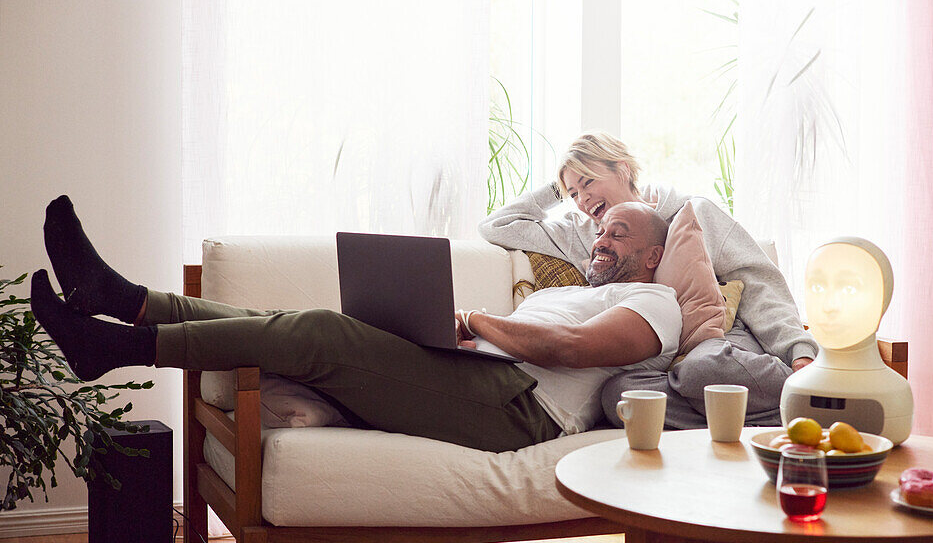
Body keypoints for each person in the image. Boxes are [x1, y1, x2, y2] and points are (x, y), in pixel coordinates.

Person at [31, 196, 682, 453]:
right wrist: (458, 332)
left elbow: (572, 350)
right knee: (281, 324)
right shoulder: (566, 288)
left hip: (523, 413)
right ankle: (124, 300)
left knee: (320, 335)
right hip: (483, 376)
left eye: (617, 233)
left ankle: (115, 345)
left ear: (653, 255)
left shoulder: (657, 304)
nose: (600, 240)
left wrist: (480, 320)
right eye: (598, 230)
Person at [478, 131, 817, 429]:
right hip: (657, 362)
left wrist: (798, 353)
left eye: (588, 181)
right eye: (573, 193)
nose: (582, 199)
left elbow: (759, 281)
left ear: (622, 169)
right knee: (620, 398)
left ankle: (811, 396)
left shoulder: (691, 212)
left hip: (720, 345)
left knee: (703, 369)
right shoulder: (581, 234)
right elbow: (497, 226)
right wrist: (557, 186)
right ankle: (764, 415)